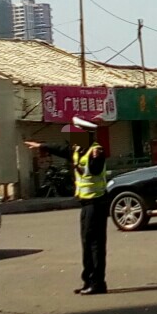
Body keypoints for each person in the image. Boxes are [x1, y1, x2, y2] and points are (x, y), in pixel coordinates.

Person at [26, 117, 109, 295]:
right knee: (86, 243)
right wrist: (42, 146)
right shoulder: (79, 150)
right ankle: (88, 281)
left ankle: (98, 283)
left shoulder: (96, 151)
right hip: (86, 204)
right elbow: (61, 149)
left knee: (95, 245)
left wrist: (86, 161)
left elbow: (94, 170)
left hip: (97, 203)